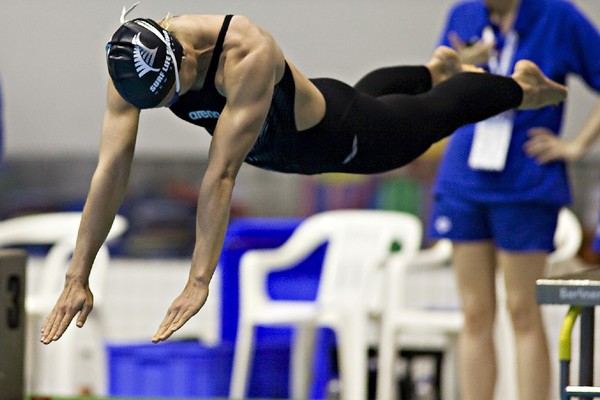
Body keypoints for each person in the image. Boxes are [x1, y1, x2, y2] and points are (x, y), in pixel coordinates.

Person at [39, 6, 566, 346]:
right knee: (375, 92)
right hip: (314, 117)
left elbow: (221, 174)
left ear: (191, 55)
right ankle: (434, 68)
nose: (173, 105)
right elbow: (111, 167)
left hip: (336, 138)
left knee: (421, 122)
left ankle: (521, 88)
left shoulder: (246, 51)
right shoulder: (130, 62)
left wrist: (199, 279)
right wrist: (76, 274)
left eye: (175, 93)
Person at [427, 0, 600, 399]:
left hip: (524, 182)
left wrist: (575, 147)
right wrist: (462, 66)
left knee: (522, 310)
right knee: (474, 313)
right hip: (464, 180)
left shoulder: (558, 16)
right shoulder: (464, 15)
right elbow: (434, 84)